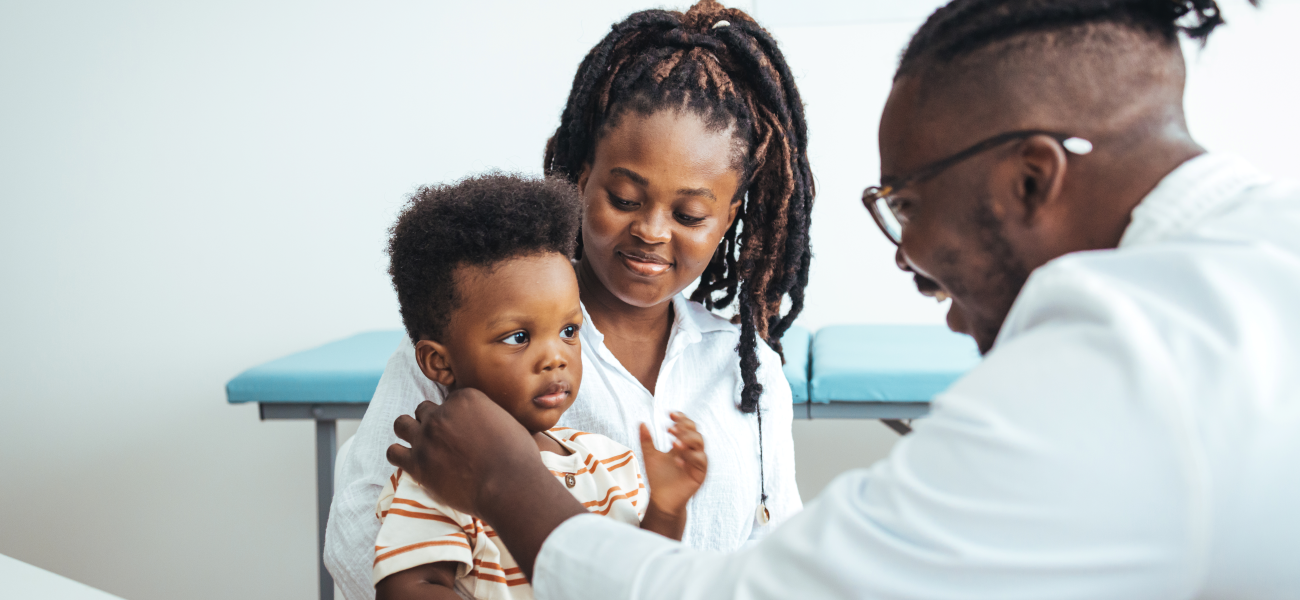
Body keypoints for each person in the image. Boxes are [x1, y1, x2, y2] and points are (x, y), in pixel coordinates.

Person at [386, 0, 1300, 598]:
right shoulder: (1260, 248)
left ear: (1032, 179)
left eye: (903, 200)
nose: (907, 255)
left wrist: (508, 481)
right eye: (623, 196)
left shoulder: (1118, 359)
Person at [324, 2, 816, 598]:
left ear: (728, 218)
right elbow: (358, 535)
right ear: (582, 179)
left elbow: (773, 554)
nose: (653, 232)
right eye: (625, 197)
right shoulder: (473, 340)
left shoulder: (750, 374)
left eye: (689, 214)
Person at [371, 174, 707, 600]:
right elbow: (409, 588)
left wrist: (666, 508)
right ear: (439, 362)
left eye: (569, 330)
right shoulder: (438, 473)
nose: (556, 357)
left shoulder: (607, 463)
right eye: (518, 337)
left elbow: (637, 579)